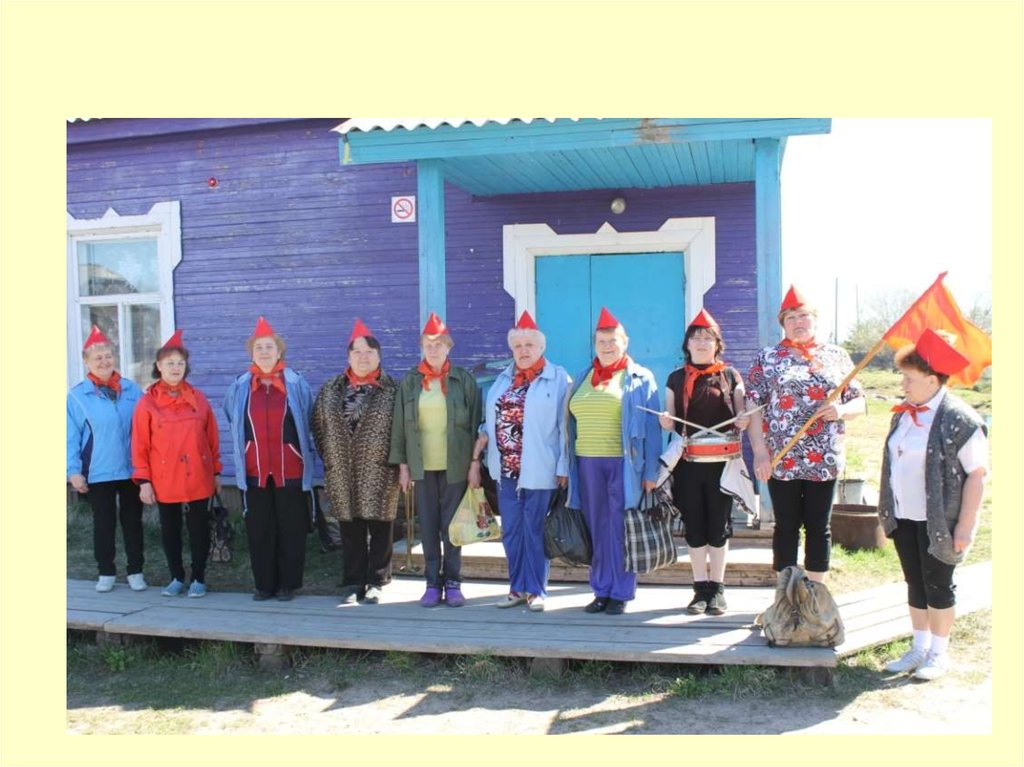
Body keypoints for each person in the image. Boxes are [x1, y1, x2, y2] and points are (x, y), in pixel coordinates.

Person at [878, 329, 988, 681]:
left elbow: (977, 475)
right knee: (915, 582)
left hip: (939, 520)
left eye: (908, 379)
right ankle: (918, 647)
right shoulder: (904, 414)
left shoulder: (960, 419)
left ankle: (939, 653)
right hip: (905, 515)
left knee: (938, 584)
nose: (903, 385)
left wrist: (965, 527)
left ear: (930, 380)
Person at [746, 286, 865, 583]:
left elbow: (859, 402)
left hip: (823, 458)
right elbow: (753, 406)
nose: (798, 322)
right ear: (783, 324)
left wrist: (841, 410)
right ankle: (785, 593)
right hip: (781, 458)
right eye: (790, 318)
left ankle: (815, 593)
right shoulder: (769, 357)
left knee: (818, 526)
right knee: (786, 526)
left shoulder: (836, 356)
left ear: (814, 319)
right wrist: (760, 453)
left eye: (803, 316)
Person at [474, 311, 571, 612]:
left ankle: (536, 589)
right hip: (505, 470)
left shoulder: (558, 378)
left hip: (541, 468)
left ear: (541, 347)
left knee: (535, 530)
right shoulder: (502, 380)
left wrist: (563, 466)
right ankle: (517, 587)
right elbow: (493, 419)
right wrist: (482, 438)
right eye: (518, 346)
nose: (524, 351)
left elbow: (566, 427)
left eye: (529, 345)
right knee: (512, 531)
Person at [567, 307, 662, 615]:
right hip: (586, 464)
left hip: (624, 465)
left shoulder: (640, 378)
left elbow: (652, 429)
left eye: (613, 341)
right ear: (594, 344)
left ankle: (620, 592)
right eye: (601, 341)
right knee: (596, 527)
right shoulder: (582, 377)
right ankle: (600, 589)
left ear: (625, 342)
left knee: (620, 528)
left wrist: (651, 472)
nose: (607, 346)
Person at [658, 309, 749, 615]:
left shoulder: (731, 375)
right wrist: (666, 421)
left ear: (717, 344)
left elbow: (741, 414)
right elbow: (671, 420)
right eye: (695, 338)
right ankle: (699, 590)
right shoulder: (675, 378)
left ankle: (718, 590)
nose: (701, 342)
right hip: (688, 465)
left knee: (719, 526)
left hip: (722, 465)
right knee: (695, 526)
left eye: (707, 338)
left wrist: (744, 419)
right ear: (687, 344)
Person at [389, 312, 481, 608]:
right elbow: (400, 426)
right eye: (428, 345)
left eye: (438, 344)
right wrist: (403, 466)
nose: (433, 349)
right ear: (422, 348)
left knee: (453, 527)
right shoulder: (411, 382)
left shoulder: (463, 380)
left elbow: (477, 424)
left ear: (448, 346)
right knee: (428, 527)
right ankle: (431, 582)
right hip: (422, 466)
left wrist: (474, 463)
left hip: (456, 466)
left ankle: (453, 582)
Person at [224, 317, 317, 602]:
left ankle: (289, 584)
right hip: (255, 470)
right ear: (251, 353)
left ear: (279, 351)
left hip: (291, 469)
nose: (264, 352)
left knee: (291, 528)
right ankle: (265, 585)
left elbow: (309, 415)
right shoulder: (240, 385)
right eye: (259, 348)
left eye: (269, 347)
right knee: (260, 529)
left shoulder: (296, 383)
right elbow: (231, 415)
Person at [312, 319, 400, 605]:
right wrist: (332, 457)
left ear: (379, 356)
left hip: (381, 470)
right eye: (357, 352)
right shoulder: (331, 388)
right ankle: (353, 582)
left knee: (380, 526)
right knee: (350, 527)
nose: (364, 357)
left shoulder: (393, 389)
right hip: (342, 470)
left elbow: (403, 429)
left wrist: (400, 464)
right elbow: (318, 426)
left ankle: (377, 581)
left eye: (369, 352)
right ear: (349, 357)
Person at [132, 330, 222, 598]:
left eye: (180, 363)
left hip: (198, 474)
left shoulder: (199, 399)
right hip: (165, 476)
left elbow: (212, 438)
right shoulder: (147, 403)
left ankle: (199, 577)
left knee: (199, 529)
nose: (175, 367)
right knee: (170, 529)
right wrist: (144, 481)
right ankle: (176, 576)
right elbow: (140, 444)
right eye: (170, 362)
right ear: (159, 366)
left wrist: (216, 472)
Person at [67, 325, 147, 592]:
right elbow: (69, 437)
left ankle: (136, 570)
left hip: (131, 470)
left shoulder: (132, 390)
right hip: (98, 470)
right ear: (87, 361)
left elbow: (146, 428)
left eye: (108, 356)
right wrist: (73, 471)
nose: (104, 361)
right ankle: (106, 572)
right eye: (97, 357)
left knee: (133, 522)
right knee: (103, 524)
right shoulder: (77, 396)